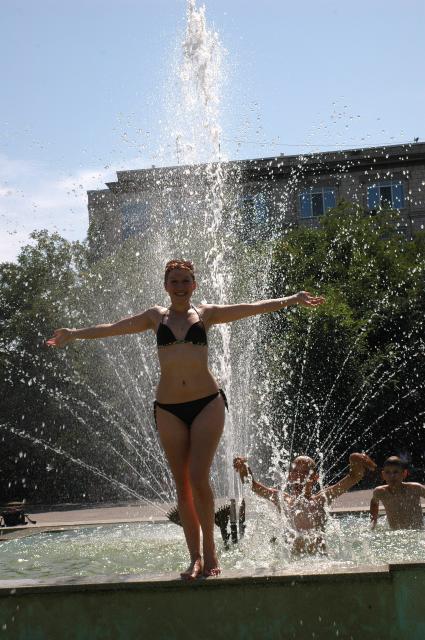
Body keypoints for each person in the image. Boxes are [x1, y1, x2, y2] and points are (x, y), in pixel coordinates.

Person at [47, 258, 325, 578]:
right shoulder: (155, 317)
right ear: (166, 286)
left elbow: (250, 307)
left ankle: (211, 552)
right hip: (167, 408)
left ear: (194, 284)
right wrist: (74, 333)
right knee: (182, 484)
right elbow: (114, 328)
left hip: (207, 403)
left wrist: (291, 299)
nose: (180, 287)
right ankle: (194, 557)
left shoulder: (206, 314)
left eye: (185, 281)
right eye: (174, 281)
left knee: (197, 476)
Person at [233, 452, 376, 554]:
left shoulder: (321, 499)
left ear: (315, 477)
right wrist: (244, 468)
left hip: (319, 560)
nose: (299, 476)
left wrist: (355, 459)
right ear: (289, 476)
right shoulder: (282, 499)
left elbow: (353, 478)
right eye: (295, 471)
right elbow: (253, 486)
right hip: (291, 561)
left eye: (306, 472)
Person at [370, 456, 425, 530]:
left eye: (395, 472)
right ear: (383, 475)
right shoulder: (380, 492)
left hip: (417, 533)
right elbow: (374, 502)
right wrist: (374, 521)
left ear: (404, 473)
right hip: (395, 534)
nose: (392, 476)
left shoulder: (415, 488)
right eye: (387, 472)